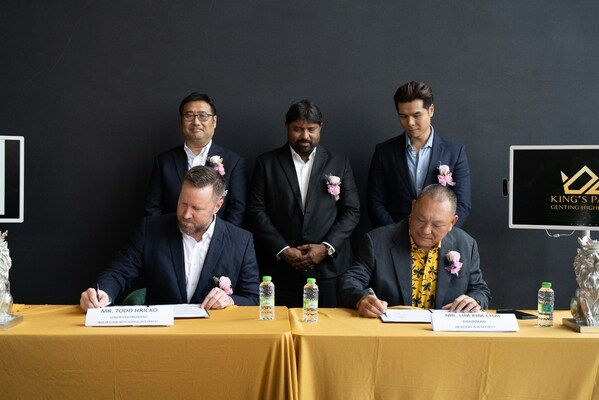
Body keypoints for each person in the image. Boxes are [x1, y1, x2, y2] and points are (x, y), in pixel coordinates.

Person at [80, 166, 259, 311]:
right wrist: (101, 292)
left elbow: (253, 298)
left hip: (215, 339)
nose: (186, 214)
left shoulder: (241, 241)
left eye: (196, 208)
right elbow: (120, 272)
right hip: (160, 336)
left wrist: (230, 300)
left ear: (217, 206)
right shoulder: (150, 230)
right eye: (182, 203)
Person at [247, 99, 360, 308]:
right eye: (298, 129)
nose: (305, 136)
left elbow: (352, 211)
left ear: (321, 128)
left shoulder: (339, 162)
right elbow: (256, 211)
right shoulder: (267, 163)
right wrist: (283, 249)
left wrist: (325, 248)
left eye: (311, 129)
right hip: (280, 272)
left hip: (329, 271)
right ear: (286, 128)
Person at [338, 184, 490, 318]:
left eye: (437, 225)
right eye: (421, 219)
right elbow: (350, 282)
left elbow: (480, 290)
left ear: (452, 222)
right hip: (393, 335)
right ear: (413, 207)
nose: (426, 230)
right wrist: (361, 299)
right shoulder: (377, 241)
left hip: (444, 337)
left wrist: (475, 301)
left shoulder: (466, 245)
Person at [367, 81, 471, 229]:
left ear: (431, 110)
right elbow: (375, 202)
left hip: (439, 241)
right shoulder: (384, 152)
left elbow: (463, 204)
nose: (410, 123)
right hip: (394, 239)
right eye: (403, 116)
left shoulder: (454, 152)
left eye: (417, 115)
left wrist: (439, 235)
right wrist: (394, 234)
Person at [145, 92, 246, 226]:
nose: (196, 122)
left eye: (203, 116)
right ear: (181, 121)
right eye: (189, 115)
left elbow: (237, 210)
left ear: (214, 121)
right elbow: (153, 207)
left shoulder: (233, 162)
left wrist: (219, 241)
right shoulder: (164, 161)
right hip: (171, 239)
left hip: (217, 241)